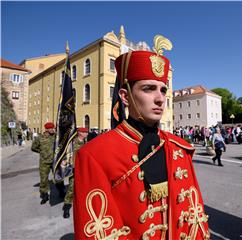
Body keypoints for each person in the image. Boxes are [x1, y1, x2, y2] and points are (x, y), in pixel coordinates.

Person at [73, 36, 210, 239]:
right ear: (125, 96)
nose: (160, 98)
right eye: (148, 89)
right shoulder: (94, 155)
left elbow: (194, 213)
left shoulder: (180, 148)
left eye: (163, 90)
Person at [62, 127, 88, 218]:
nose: (86, 133)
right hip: (74, 168)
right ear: (80, 133)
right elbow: (68, 154)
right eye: (85, 132)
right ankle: (67, 206)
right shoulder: (73, 143)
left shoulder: (85, 142)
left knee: (83, 188)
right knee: (71, 187)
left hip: (83, 168)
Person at [31, 122, 56, 205]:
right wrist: (42, 152)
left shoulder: (56, 137)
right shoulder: (39, 138)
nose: (53, 129)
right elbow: (33, 148)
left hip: (55, 161)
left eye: (53, 128)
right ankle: (44, 195)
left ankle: (62, 191)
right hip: (44, 162)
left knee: (58, 177)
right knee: (43, 179)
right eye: (51, 128)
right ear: (47, 129)